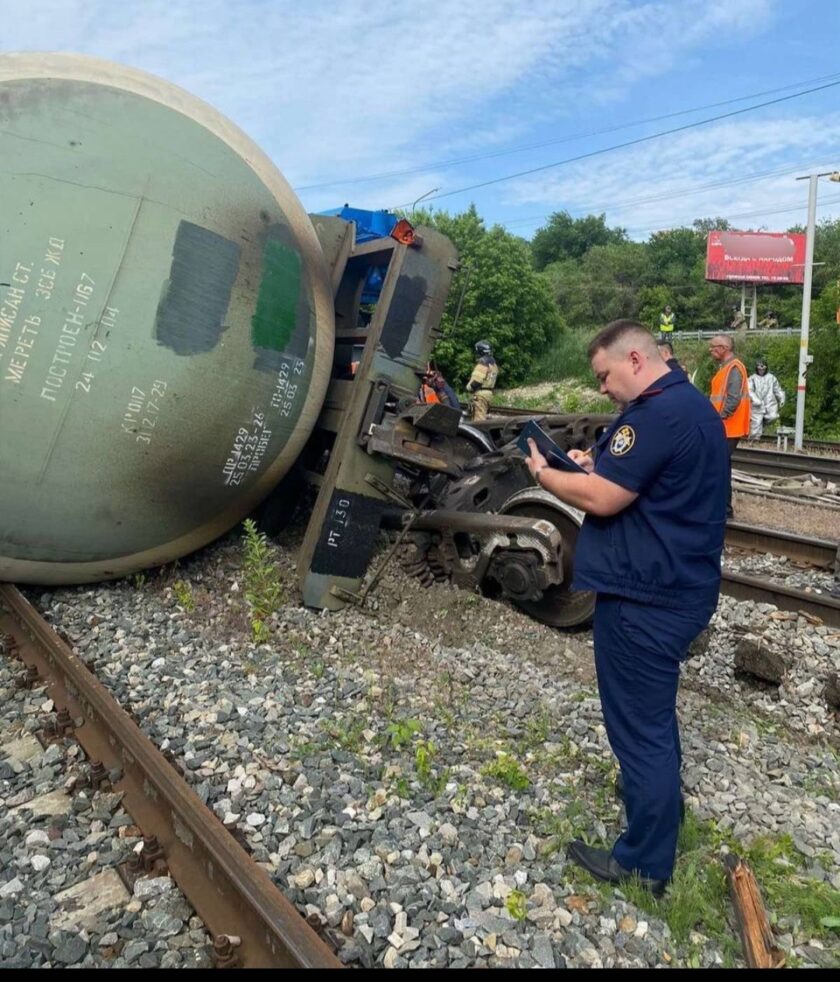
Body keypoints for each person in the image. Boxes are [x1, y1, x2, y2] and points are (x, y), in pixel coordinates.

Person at [525, 320, 728, 895]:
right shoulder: (686, 405)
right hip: (674, 587)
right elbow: (638, 482)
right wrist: (594, 467)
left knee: (639, 727)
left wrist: (546, 475)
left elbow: (606, 499)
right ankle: (656, 804)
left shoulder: (656, 416)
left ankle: (642, 864)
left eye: (604, 376)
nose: (601, 389)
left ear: (634, 359)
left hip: (645, 597)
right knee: (652, 718)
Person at [707, 335, 750, 519]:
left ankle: (724, 509)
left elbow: (732, 400)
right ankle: (723, 509)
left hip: (728, 427)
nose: (710, 350)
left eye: (713, 347)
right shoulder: (727, 368)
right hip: (724, 426)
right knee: (720, 467)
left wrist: (717, 418)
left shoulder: (734, 368)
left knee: (719, 468)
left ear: (723, 348)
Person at [748, 360, 785, 440]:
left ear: (766, 369)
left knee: (773, 416)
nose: (761, 371)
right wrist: (755, 399)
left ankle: (761, 424)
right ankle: (754, 441)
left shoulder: (771, 378)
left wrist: (782, 398)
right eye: (760, 369)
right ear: (757, 369)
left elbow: (777, 389)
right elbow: (749, 390)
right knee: (756, 424)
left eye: (763, 369)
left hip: (770, 403)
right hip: (757, 405)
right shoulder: (752, 378)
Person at [466, 340, 498, 421]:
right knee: (484, 417)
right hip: (489, 394)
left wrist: (469, 388)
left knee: (478, 421)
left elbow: (477, 381)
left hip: (480, 395)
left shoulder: (482, 363)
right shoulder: (493, 363)